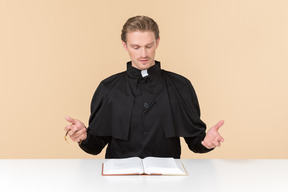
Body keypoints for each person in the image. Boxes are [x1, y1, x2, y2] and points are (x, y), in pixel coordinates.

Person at [64, 16, 224, 159]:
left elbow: (195, 141)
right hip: (119, 181)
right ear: (125, 46)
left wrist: (206, 142)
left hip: (167, 180)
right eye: (136, 47)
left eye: (148, 46)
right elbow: (96, 146)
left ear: (157, 43)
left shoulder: (180, 86)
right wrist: (83, 136)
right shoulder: (108, 88)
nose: (143, 54)